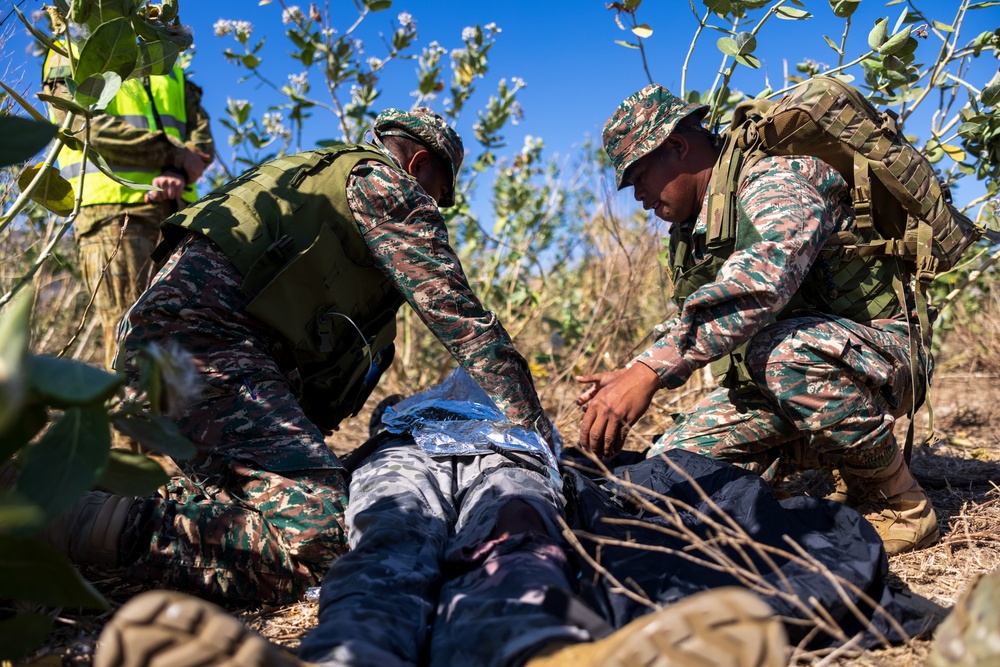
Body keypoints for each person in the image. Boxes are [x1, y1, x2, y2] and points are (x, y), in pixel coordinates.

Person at [38, 107, 551, 604]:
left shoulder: (316, 177)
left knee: (282, 494)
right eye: (438, 195)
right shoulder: (385, 185)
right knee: (319, 533)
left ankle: (66, 490)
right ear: (417, 165)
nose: (433, 210)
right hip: (200, 349)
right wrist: (540, 440)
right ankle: (70, 521)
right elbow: (460, 317)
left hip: (178, 349)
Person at [92, 370, 789, 667]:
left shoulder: (511, 404)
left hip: (508, 457)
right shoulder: (395, 415)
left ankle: (542, 652)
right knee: (389, 546)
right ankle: (347, 658)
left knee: (517, 544)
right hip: (404, 458)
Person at [576, 84, 938, 556]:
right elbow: (702, 315)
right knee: (671, 465)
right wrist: (630, 370)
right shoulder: (693, 230)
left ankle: (902, 504)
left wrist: (649, 372)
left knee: (785, 352)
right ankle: (822, 457)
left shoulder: (777, 180)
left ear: (678, 147)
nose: (639, 196)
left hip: (882, 357)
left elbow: (761, 282)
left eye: (639, 176)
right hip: (784, 379)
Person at [42, 50, 214, 370]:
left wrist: (178, 171)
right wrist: (171, 155)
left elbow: (201, 136)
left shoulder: (162, 54)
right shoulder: (72, 47)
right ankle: (129, 420)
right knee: (130, 339)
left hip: (179, 218)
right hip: (113, 216)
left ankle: (175, 420)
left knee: (186, 339)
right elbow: (79, 122)